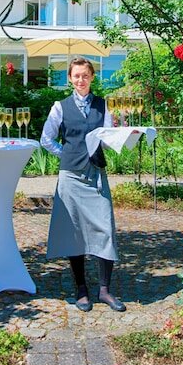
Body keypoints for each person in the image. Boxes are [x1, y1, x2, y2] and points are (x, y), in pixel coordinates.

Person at [40, 57, 126, 312]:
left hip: (96, 174)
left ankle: (105, 291)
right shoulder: (60, 107)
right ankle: (81, 290)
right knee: (74, 232)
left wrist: (123, 133)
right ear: (70, 78)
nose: (81, 80)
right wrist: (66, 153)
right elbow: (46, 139)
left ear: (92, 77)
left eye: (85, 76)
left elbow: (108, 138)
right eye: (76, 76)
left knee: (105, 229)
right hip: (71, 177)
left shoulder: (103, 105)